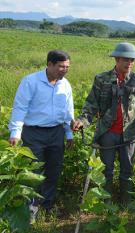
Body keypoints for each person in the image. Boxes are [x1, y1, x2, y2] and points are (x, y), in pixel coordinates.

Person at [72, 42, 135, 207]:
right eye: (126, 59)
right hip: (107, 133)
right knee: (106, 170)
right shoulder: (101, 79)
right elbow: (91, 105)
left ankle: (126, 203)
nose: (129, 63)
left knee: (127, 170)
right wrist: (82, 121)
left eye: (132, 60)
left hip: (129, 134)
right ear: (116, 59)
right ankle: (107, 203)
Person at [8, 50, 74, 213]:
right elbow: (20, 108)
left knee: (53, 170)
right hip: (33, 133)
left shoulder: (65, 84)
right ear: (49, 64)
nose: (64, 70)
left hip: (56, 133)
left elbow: (67, 111)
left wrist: (69, 133)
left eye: (67, 67)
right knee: (34, 172)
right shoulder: (31, 82)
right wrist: (15, 133)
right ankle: (31, 209)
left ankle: (47, 206)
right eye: (61, 67)